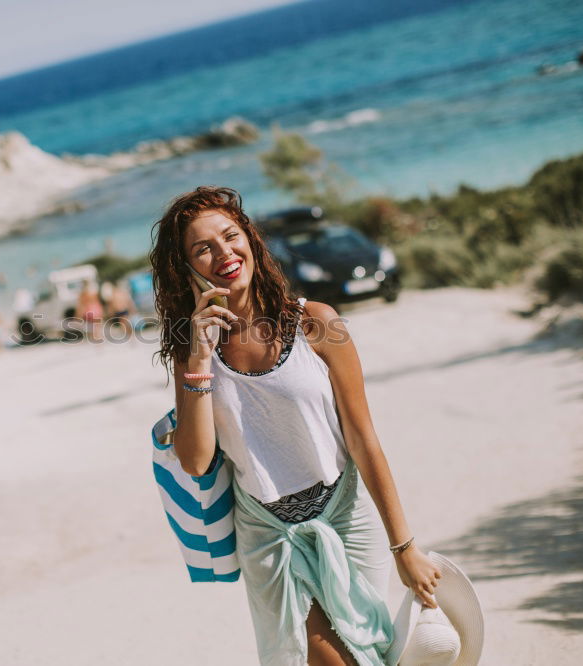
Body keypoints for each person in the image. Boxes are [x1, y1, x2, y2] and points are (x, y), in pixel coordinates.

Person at [149, 186, 441, 666]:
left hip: (345, 516)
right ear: (187, 269)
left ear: (251, 239)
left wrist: (404, 547)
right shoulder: (194, 351)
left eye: (230, 236)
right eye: (203, 248)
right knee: (324, 659)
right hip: (268, 532)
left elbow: (364, 442)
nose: (224, 253)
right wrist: (199, 355)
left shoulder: (317, 324)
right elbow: (196, 459)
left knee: (369, 654)